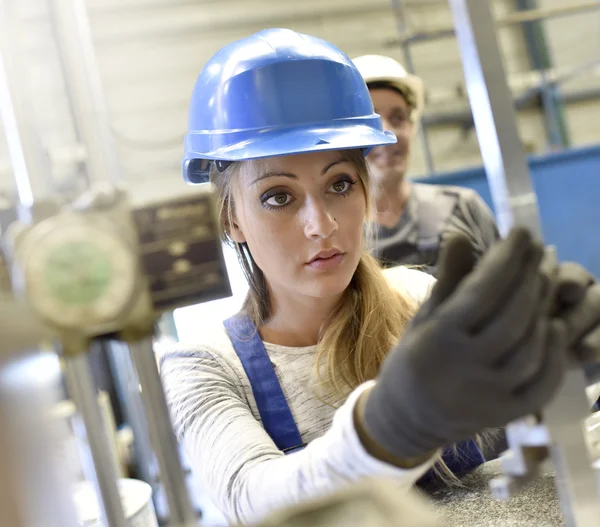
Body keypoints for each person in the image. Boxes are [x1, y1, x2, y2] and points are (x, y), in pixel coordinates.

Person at [160, 28, 600, 526]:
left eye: (339, 184)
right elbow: (256, 499)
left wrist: (568, 384)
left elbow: (535, 438)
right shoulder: (203, 366)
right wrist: (391, 423)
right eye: (278, 196)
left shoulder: (419, 302)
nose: (321, 224)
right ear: (231, 219)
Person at [352, 54, 500, 273]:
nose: (388, 133)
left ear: (412, 128)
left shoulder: (461, 208)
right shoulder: (336, 235)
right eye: (371, 121)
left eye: (398, 118)